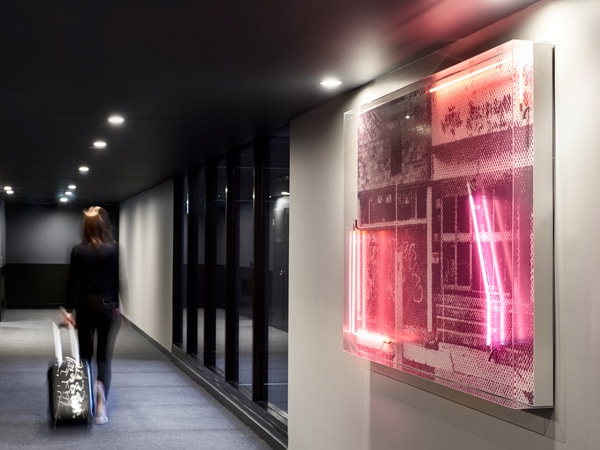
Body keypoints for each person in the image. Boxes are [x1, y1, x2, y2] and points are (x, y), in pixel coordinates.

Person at [63, 206, 121, 425]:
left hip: (84, 308)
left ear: (85, 227)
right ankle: (100, 407)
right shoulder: (113, 249)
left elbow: (72, 282)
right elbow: (115, 279)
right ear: (104, 225)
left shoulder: (77, 249)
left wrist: (69, 311)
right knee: (104, 357)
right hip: (106, 308)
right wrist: (116, 304)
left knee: (85, 356)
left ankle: (83, 400)